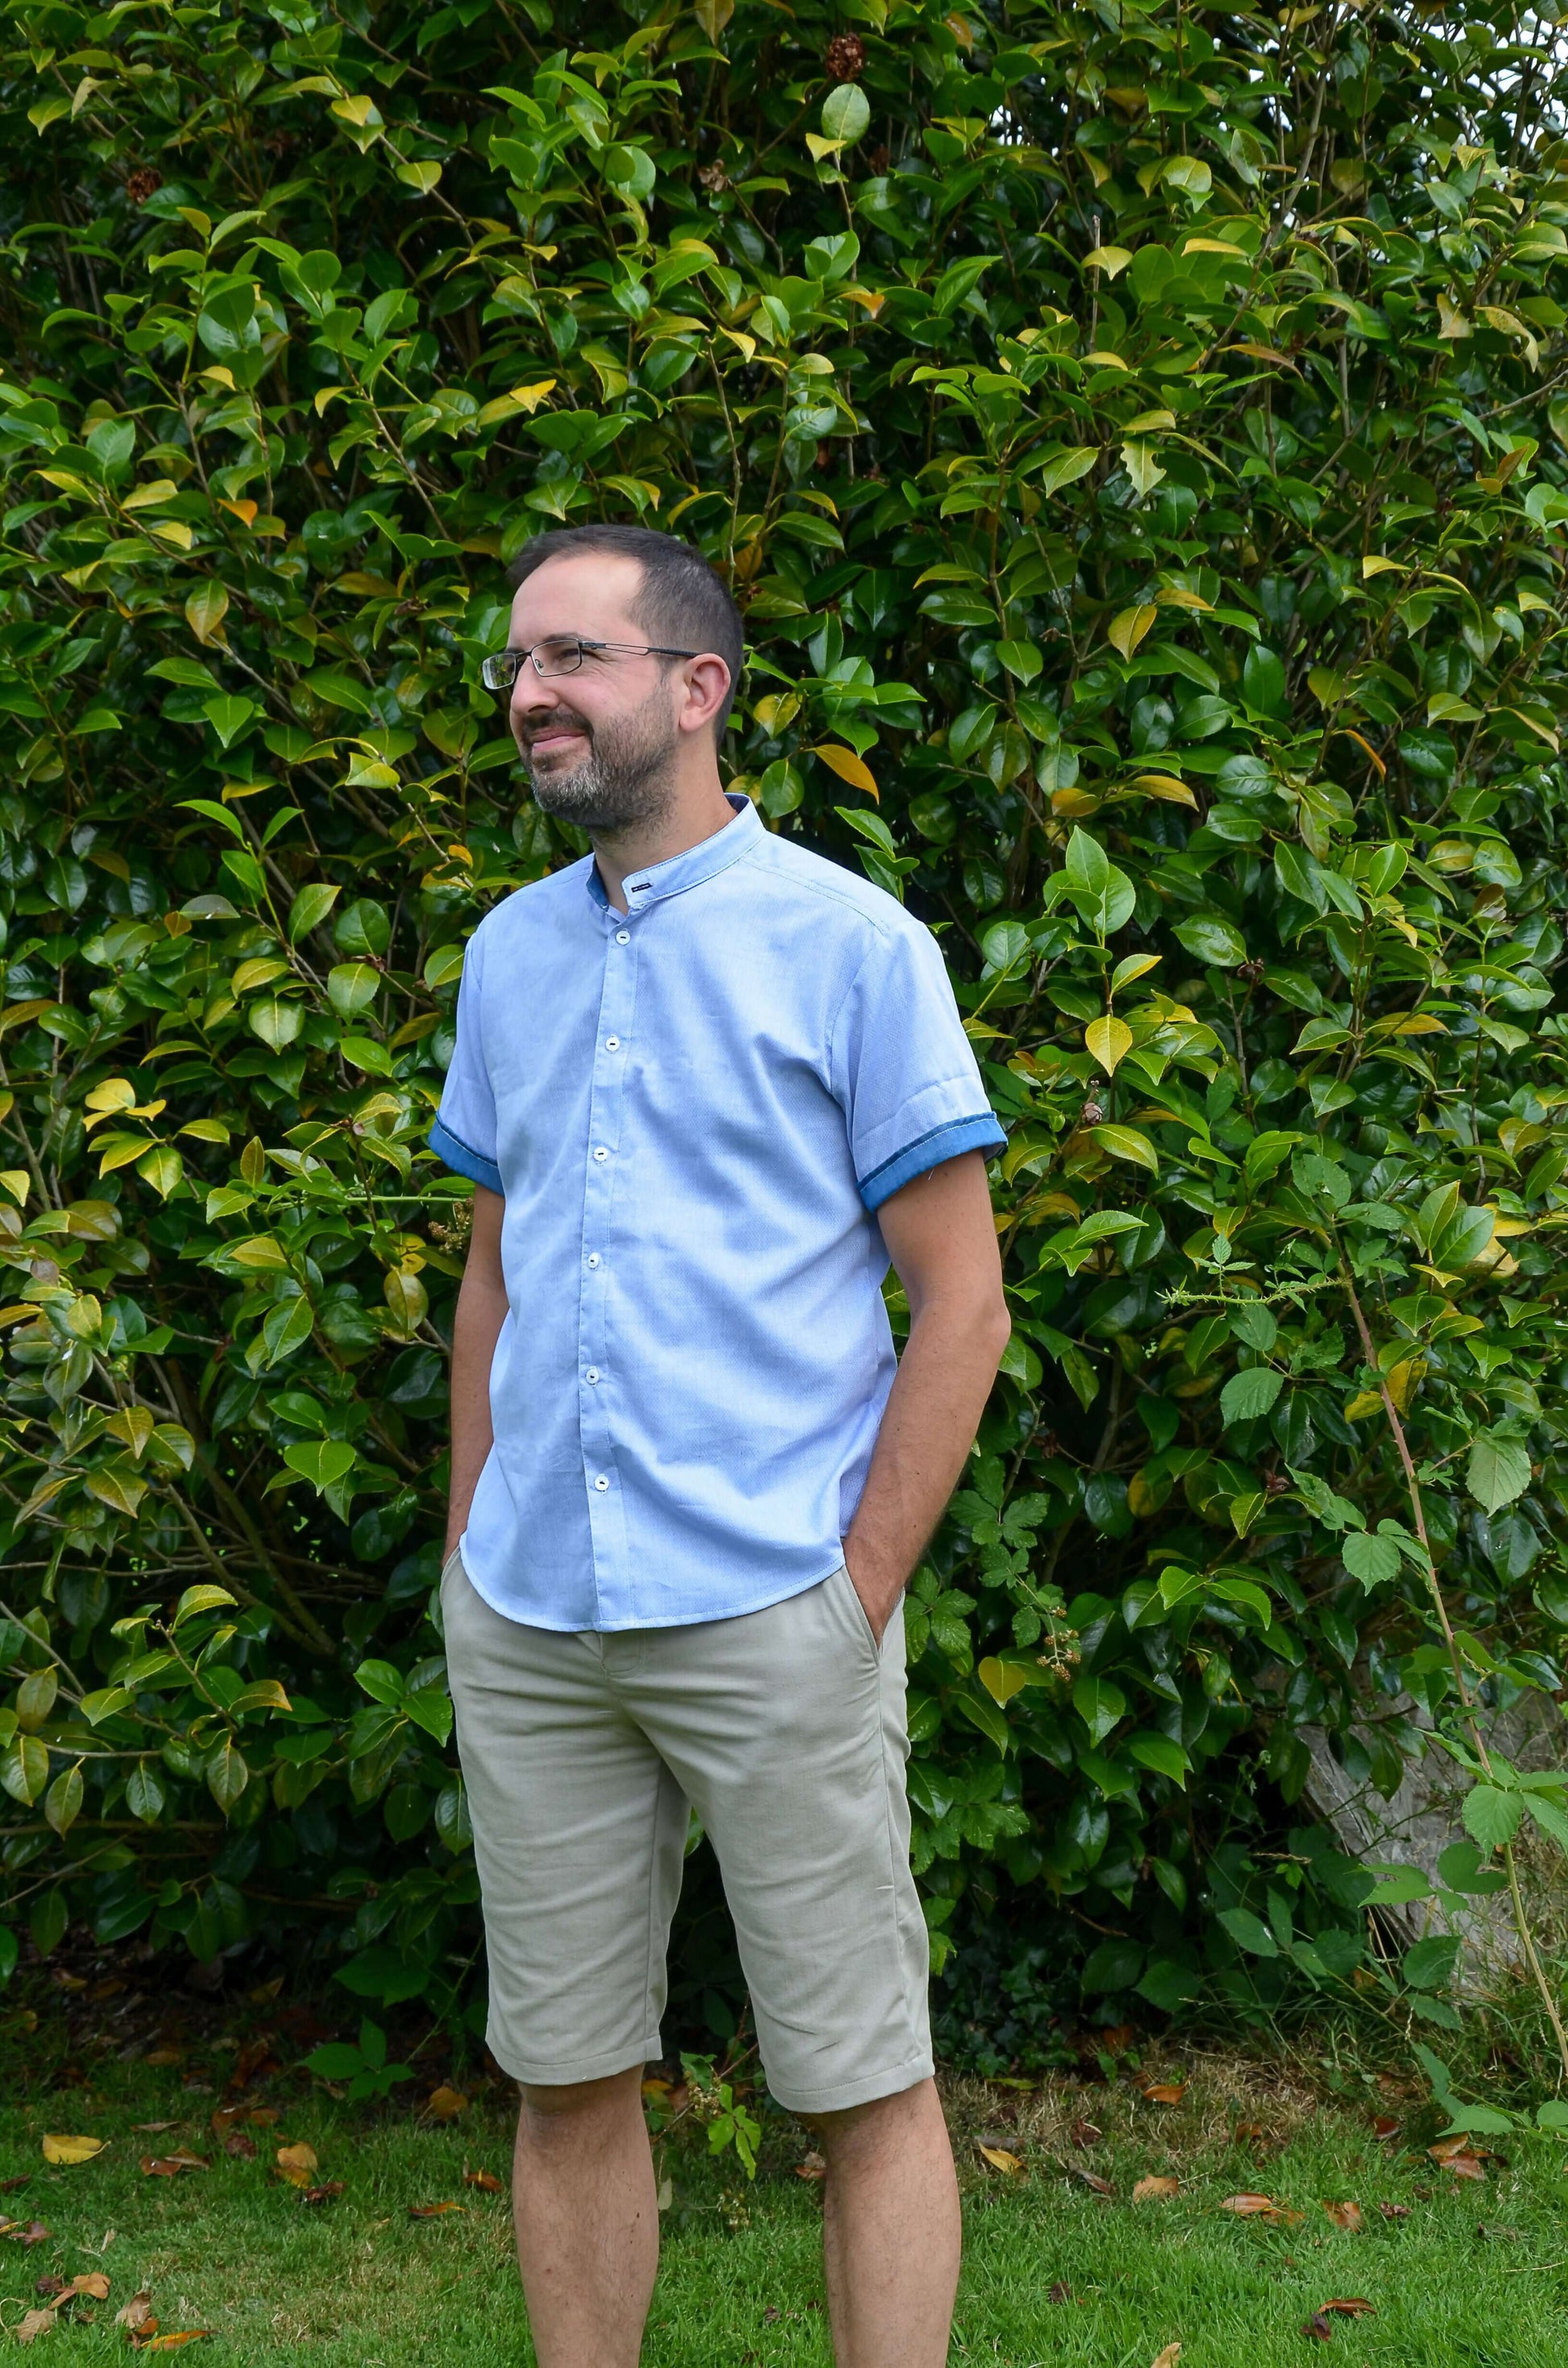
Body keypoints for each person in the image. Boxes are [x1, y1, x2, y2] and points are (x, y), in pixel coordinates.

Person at [431, 522, 1010, 2368]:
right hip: (533, 1618)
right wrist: (469, 1544)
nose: (531, 694)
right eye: (520, 662)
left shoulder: (853, 945)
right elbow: (492, 1273)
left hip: (776, 1604)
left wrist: (855, 1592)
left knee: (861, 2084)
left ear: (697, 688)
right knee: (563, 2073)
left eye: (574, 658)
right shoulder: (507, 955)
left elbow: (965, 1301)